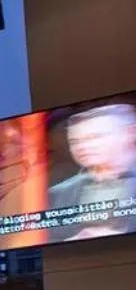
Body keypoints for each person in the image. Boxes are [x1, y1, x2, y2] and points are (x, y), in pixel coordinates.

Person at [47, 102, 136, 239]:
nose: (83, 147)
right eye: (75, 141)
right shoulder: (56, 195)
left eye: (94, 137)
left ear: (130, 133)